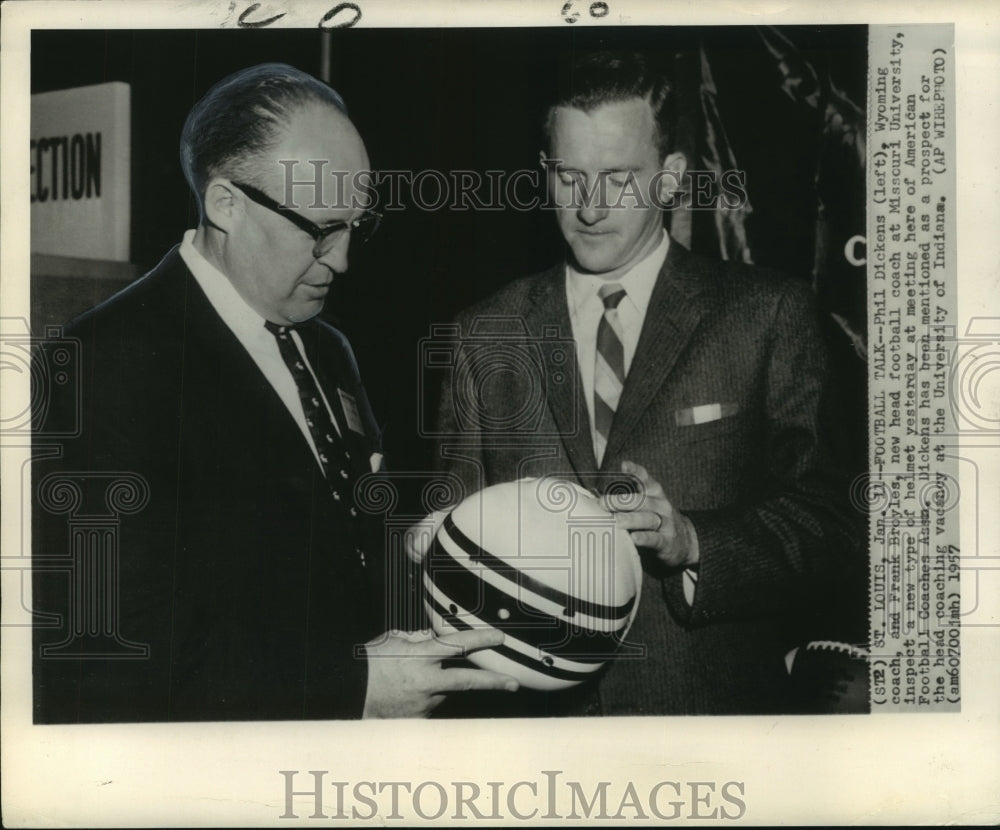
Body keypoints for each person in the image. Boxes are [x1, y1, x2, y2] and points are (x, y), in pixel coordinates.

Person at [31, 63, 518, 723]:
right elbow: (104, 659)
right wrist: (352, 686)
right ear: (224, 203)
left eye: (357, 225)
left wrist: (419, 549)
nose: (342, 261)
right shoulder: (99, 366)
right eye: (320, 229)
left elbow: (326, 542)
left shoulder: (327, 347)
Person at [423, 51, 865, 715]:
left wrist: (692, 541)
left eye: (619, 179)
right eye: (569, 177)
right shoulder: (485, 332)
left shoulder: (767, 314)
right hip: (534, 742)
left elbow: (832, 527)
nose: (591, 207)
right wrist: (432, 546)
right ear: (545, 175)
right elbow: (453, 531)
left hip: (709, 737)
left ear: (672, 178)